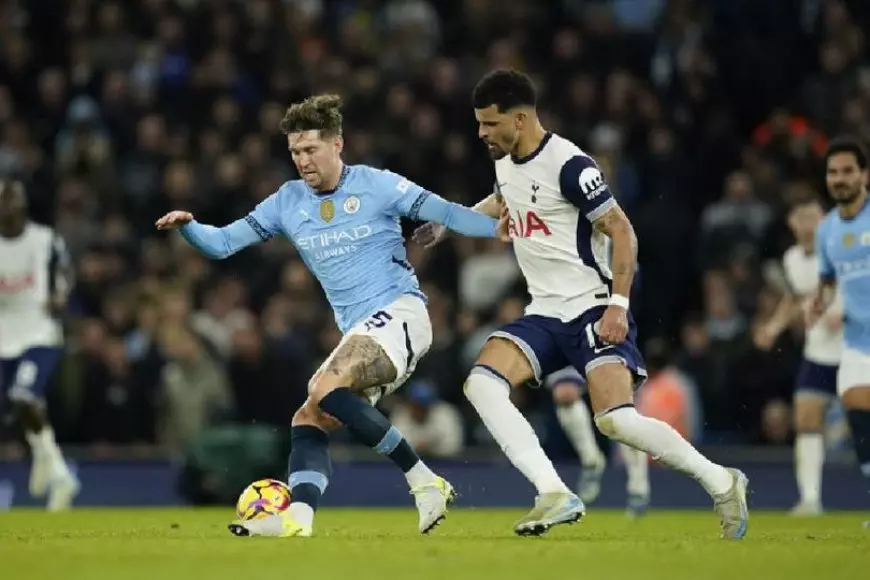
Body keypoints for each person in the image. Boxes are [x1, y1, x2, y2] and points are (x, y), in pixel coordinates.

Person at [415, 69, 748, 539]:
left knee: (616, 422)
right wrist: (450, 222)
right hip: (545, 312)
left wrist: (617, 304)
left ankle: (722, 481)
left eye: (489, 124)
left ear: (522, 118)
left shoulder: (571, 165)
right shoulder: (506, 161)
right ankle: (552, 491)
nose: (481, 134)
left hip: (592, 305)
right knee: (482, 384)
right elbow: (501, 198)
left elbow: (623, 231)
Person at [156, 94, 500, 537]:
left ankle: (424, 480)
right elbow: (222, 244)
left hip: (400, 313)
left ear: (338, 144)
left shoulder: (379, 185)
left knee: (322, 386)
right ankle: (297, 521)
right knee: (308, 417)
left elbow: (449, 214)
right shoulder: (287, 201)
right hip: (358, 331)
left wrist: (502, 226)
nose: (302, 160)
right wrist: (189, 227)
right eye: (295, 152)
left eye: (310, 149)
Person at [754, 194, 842, 515]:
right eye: (801, 218)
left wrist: (843, 313)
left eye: (813, 217)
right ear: (792, 223)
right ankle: (810, 499)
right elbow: (794, 298)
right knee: (806, 418)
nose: (808, 225)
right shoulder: (792, 259)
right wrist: (773, 327)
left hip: (856, 349)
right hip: (818, 351)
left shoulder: (842, 249)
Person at [0, 179, 79, 510]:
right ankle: (56, 469)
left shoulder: (44, 240)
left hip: (39, 333)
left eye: (12, 200)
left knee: (24, 394)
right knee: (26, 406)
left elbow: (64, 271)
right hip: (4, 337)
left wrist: (60, 294)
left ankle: (52, 466)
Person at [808, 136, 870, 527]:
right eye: (833, 172)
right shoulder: (827, 230)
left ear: (864, 175)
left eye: (848, 170)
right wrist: (819, 300)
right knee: (856, 405)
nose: (840, 178)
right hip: (858, 338)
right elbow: (829, 279)